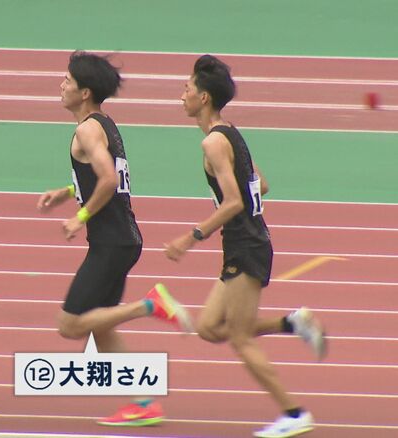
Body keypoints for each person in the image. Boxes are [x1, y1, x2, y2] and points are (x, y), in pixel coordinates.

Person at [165, 54, 327, 438]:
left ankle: (295, 413)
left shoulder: (213, 143)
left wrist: (191, 236)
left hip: (246, 245)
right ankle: (292, 323)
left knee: (239, 338)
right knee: (209, 327)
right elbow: (261, 185)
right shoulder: (231, 133)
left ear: (204, 98)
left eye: (187, 89)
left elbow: (235, 201)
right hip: (247, 242)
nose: (182, 95)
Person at [37, 51, 193, 427]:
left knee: (69, 324)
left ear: (85, 92)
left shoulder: (87, 130)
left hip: (111, 241)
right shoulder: (104, 124)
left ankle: (150, 305)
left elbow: (107, 180)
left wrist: (80, 217)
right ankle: (144, 403)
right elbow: (106, 178)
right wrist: (67, 192)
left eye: (68, 81)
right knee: (100, 327)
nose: (61, 85)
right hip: (123, 238)